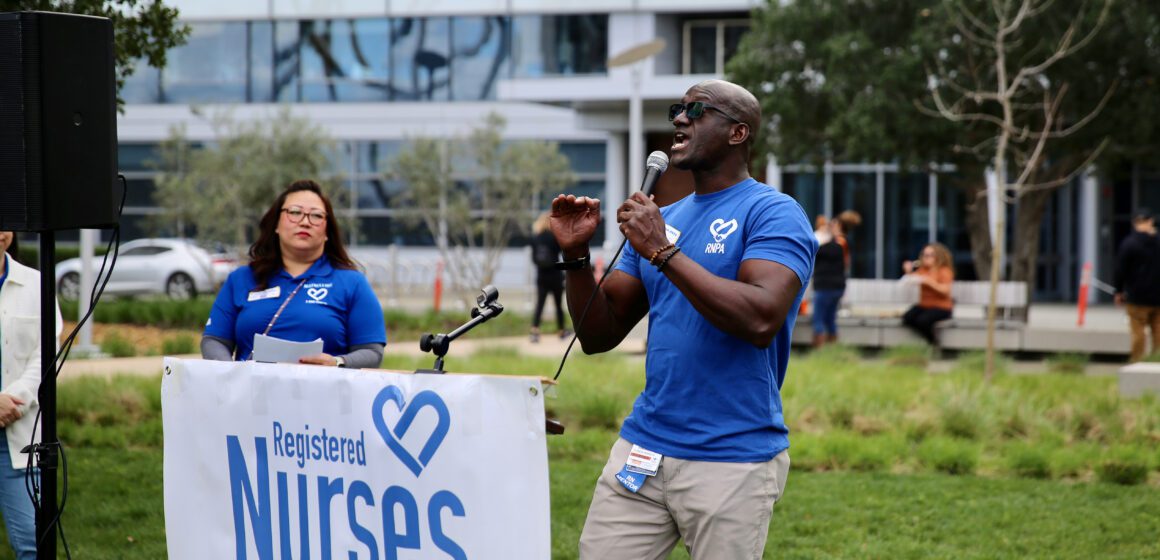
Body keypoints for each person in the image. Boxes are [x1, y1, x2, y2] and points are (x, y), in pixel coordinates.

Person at [550, 79, 817, 560]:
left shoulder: (773, 213)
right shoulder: (664, 218)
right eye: (678, 109)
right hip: (644, 446)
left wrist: (661, 250)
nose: (679, 119)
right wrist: (574, 256)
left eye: (696, 110)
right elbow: (598, 333)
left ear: (737, 134)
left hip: (732, 458)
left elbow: (761, 319)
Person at [202, 180, 386, 368]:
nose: (305, 222)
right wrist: (231, 374)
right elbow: (214, 341)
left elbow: (372, 352)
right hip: (251, 394)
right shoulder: (241, 279)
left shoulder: (352, 283)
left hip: (324, 393)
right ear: (276, 224)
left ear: (327, 231)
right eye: (295, 212)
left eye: (316, 216)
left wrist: (337, 362)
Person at [0, 231, 62, 560]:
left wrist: (14, 400)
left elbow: (46, 356)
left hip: (17, 437)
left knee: (32, 547)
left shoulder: (36, 285)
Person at [1113, 208, 1160, 362]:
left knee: (1138, 332)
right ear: (1151, 222)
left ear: (1135, 224)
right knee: (1158, 332)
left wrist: (1118, 291)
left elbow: (1120, 270)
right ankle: (1156, 361)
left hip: (1137, 296)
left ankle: (1137, 362)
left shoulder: (1129, 244)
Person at [810, 210, 861, 347]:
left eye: (832, 224)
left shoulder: (835, 244)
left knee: (818, 319)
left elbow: (815, 251)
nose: (829, 226)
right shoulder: (844, 243)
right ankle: (832, 349)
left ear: (838, 225)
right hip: (837, 286)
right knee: (830, 319)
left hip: (825, 286)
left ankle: (819, 350)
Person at [901, 242, 955, 344]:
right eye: (924, 255)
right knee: (908, 318)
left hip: (942, 307)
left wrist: (930, 282)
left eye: (930, 255)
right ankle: (925, 341)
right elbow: (912, 279)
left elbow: (945, 291)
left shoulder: (944, 271)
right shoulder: (923, 270)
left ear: (938, 257)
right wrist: (908, 272)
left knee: (923, 321)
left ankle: (933, 343)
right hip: (925, 306)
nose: (926, 258)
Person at [529, 212, 569, 342]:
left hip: (541, 276)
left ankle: (534, 331)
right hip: (555, 275)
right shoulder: (554, 237)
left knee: (540, 304)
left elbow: (534, 258)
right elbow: (562, 251)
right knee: (558, 305)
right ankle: (561, 331)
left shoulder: (535, 237)